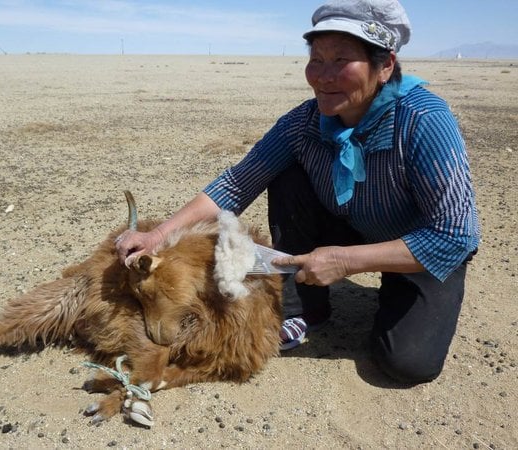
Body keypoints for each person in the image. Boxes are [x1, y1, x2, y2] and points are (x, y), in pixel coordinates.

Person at [114, 0, 480, 384]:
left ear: (385, 65)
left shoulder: (424, 120)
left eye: (341, 60)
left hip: (418, 248)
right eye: (316, 59)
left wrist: (346, 261)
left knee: (407, 363)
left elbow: (457, 235)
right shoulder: (304, 121)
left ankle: (397, 290)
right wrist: (158, 235)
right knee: (287, 177)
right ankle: (305, 308)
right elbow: (238, 183)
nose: (323, 75)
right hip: (352, 223)